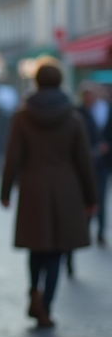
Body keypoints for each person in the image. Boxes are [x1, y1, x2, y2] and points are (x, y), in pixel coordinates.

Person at [0, 61, 96, 328]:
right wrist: (91, 198)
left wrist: (5, 191)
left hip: (33, 187)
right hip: (65, 189)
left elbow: (13, 156)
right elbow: (83, 161)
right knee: (56, 250)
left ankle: (33, 290)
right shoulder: (72, 117)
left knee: (36, 245)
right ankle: (47, 305)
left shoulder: (23, 116)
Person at [77, 81, 110, 247]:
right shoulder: (77, 112)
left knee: (101, 198)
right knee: (87, 199)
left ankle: (101, 232)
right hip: (85, 164)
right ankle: (86, 231)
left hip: (102, 163)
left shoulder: (106, 109)